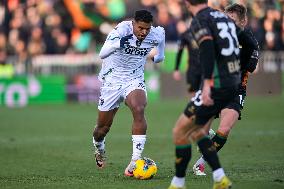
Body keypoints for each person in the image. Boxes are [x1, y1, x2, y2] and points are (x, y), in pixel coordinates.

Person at [168, 0, 241, 188]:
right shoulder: (221, 17)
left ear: (186, 3)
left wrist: (207, 83)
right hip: (233, 82)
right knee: (198, 131)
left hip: (216, 84)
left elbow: (207, 49)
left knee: (180, 131)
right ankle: (219, 178)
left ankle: (178, 183)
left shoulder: (199, 19)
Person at [92, 9, 165, 177]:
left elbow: (160, 57)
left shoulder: (158, 34)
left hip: (134, 79)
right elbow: (102, 53)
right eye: (140, 28)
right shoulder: (120, 30)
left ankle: (134, 162)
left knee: (139, 108)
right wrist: (120, 43)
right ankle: (98, 145)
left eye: (147, 29)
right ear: (133, 23)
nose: (144, 32)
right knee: (102, 128)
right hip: (112, 80)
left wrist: (153, 57)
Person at [192, 3, 259, 176]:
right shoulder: (216, 36)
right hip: (214, 86)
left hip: (235, 90)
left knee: (225, 129)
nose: (228, 24)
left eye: (232, 20)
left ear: (243, 21)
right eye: (226, 19)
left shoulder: (250, 41)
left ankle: (201, 163)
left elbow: (249, 66)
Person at [172, 19, 201, 97]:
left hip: (204, 67)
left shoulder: (205, 32)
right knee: (193, 92)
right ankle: (194, 108)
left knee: (205, 91)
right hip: (193, 68)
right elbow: (180, 52)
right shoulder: (185, 35)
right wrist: (176, 69)